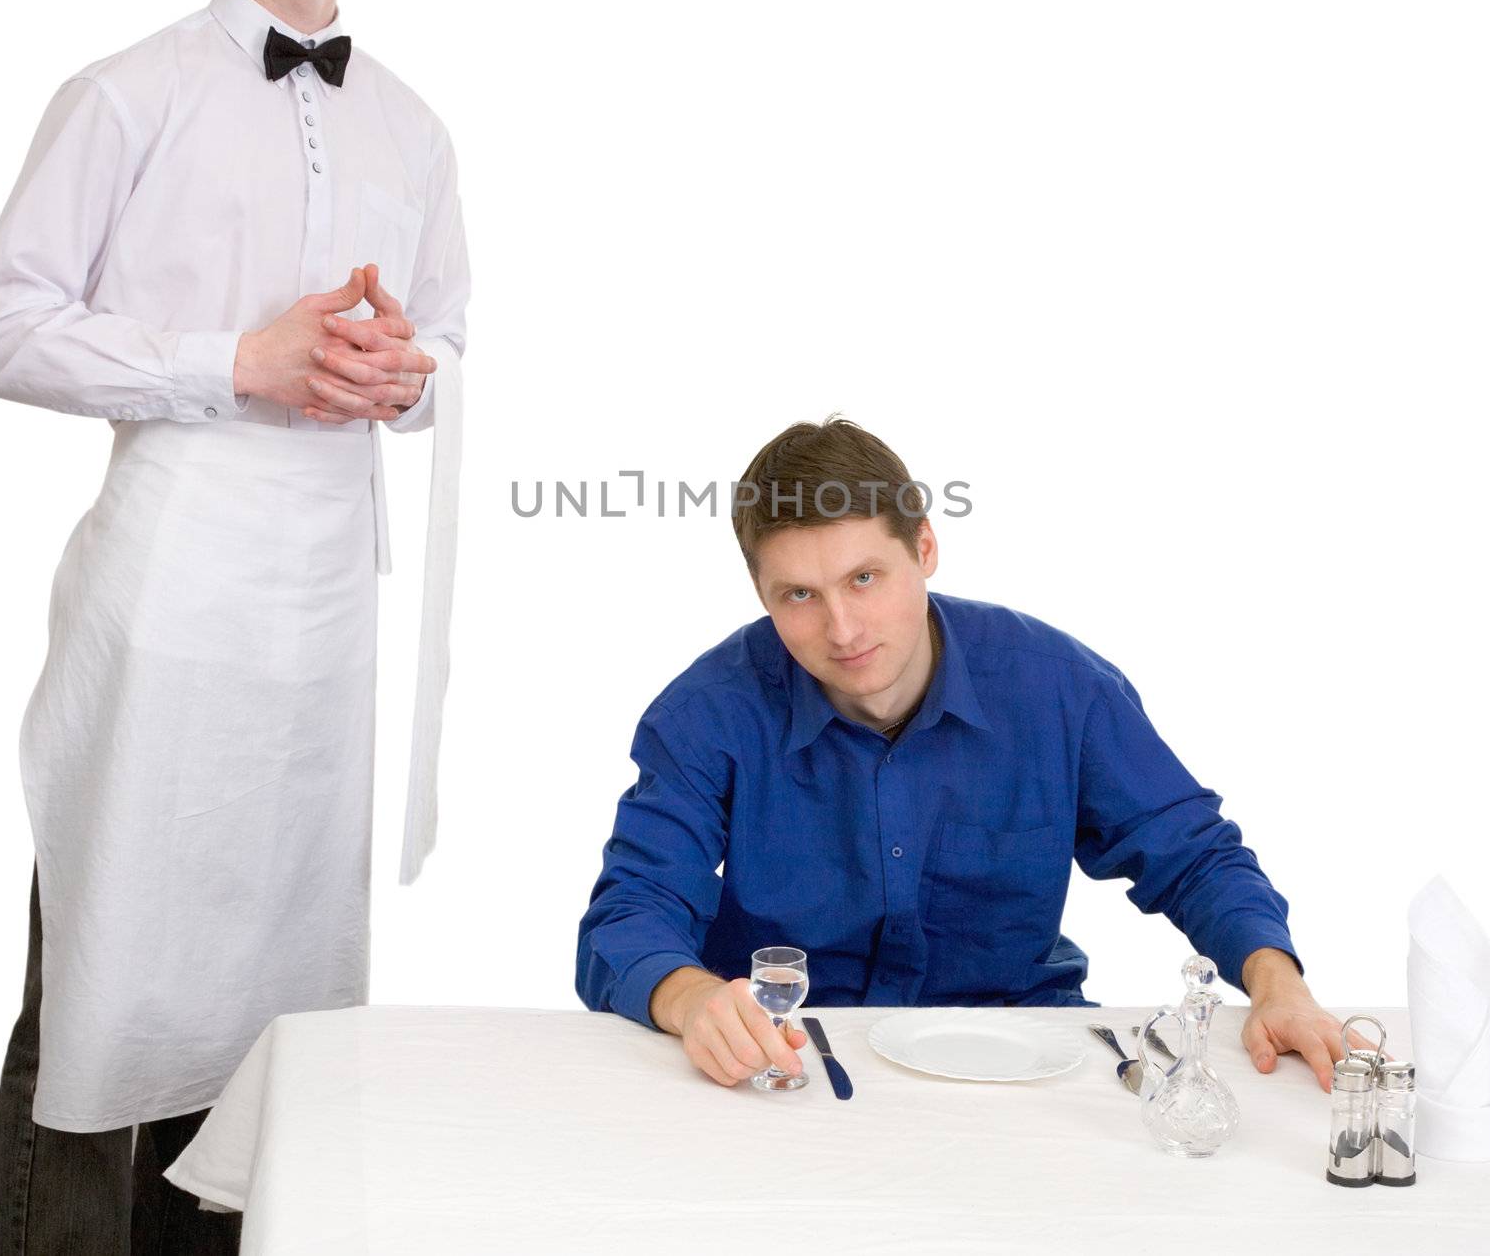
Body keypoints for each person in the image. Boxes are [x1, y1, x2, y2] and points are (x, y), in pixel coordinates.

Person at [0, 0, 469, 1253]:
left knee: (268, 1008)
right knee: (111, 979)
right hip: (168, 604)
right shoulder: (125, 95)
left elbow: (446, 344)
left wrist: (397, 370)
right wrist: (234, 358)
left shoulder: (416, 128)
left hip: (320, 628)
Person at [576, 417, 1348, 1092]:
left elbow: (1193, 854)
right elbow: (630, 910)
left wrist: (1276, 980)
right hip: (791, 1059)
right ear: (763, 595)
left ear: (926, 546)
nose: (842, 628)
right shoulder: (706, 714)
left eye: (865, 577)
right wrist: (691, 998)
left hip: (1023, 1054)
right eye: (800, 596)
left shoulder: (1057, 686)